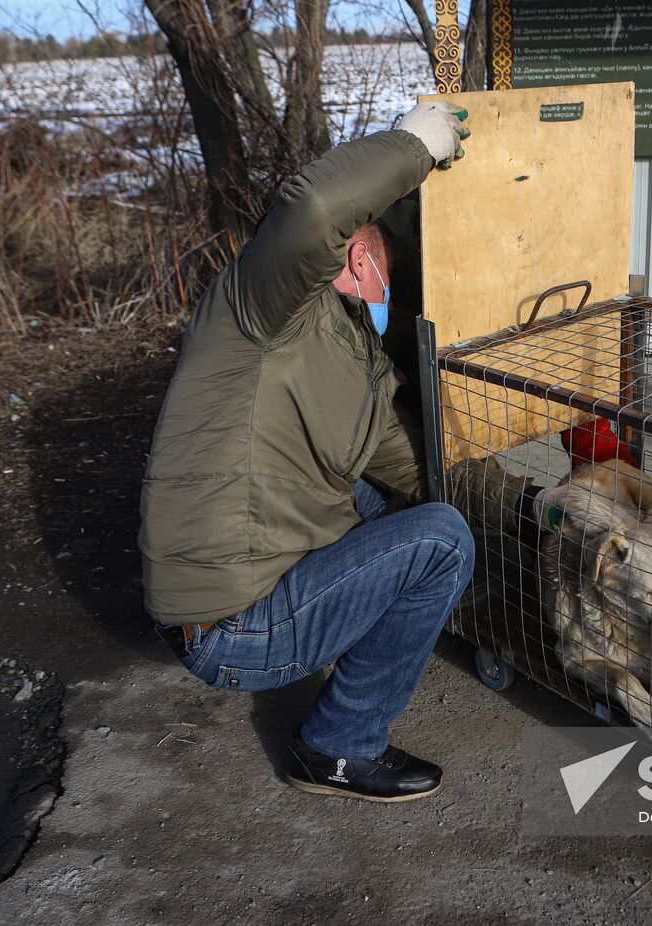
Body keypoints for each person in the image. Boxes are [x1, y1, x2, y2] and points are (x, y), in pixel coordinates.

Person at [139, 102, 475, 802]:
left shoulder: (353, 356)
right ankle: (339, 747)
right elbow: (317, 202)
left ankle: (348, 675)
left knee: (404, 505)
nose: (396, 298)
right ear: (359, 257)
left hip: (250, 581)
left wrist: (527, 508)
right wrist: (417, 144)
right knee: (442, 542)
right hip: (226, 626)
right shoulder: (263, 311)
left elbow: (420, 467)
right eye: (390, 274)